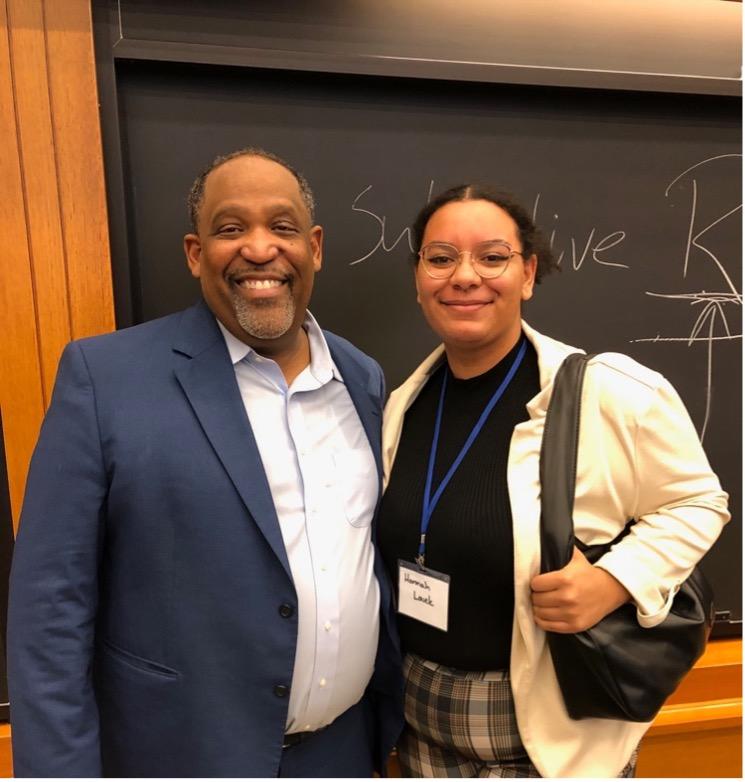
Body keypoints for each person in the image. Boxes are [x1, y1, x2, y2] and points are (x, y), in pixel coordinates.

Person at [7, 148, 403, 777]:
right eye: (229, 228)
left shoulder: (362, 379)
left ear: (316, 246)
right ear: (195, 254)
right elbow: (49, 610)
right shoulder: (105, 378)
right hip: (182, 757)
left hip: (343, 753)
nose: (259, 248)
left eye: (282, 226)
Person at [378, 184, 729, 778]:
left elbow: (699, 501)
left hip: (551, 742)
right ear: (419, 278)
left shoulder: (608, 392)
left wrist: (614, 581)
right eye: (440, 258)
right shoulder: (401, 406)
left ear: (529, 274)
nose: (465, 276)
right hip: (419, 734)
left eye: (492, 257)